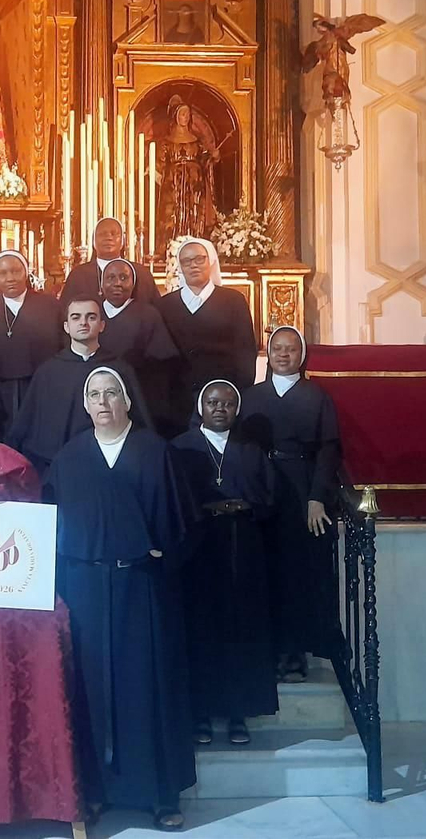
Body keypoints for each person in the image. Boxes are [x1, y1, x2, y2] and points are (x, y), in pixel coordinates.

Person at [44, 368, 194, 831]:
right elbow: (55, 525)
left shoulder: (155, 453)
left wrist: (159, 551)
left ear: (127, 401)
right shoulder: (68, 459)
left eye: (111, 392)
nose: (103, 400)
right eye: (93, 394)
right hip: (86, 588)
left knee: (145, 685)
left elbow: (180, 520)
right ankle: (94, 792)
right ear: (85, 405)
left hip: (141, 586)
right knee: (89, 687)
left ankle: (159, 794)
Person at [170, 381, 278, 745]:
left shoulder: (252, 450)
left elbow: (269, 497)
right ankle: (200, 713)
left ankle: (237, 713)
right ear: (201, 406)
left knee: (240, 631)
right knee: (200, 629)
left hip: (242, 547)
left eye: (229, 404)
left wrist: (244, 507)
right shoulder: (180, 448)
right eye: (213, 402)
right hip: (199, 551)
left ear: (237, 409)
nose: (221, 409)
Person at [239, 326, 343, 683]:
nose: (283, 355)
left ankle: (296, 652)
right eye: (277, 348)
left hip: (299, 486)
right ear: (267, 353)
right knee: (263, 569)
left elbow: (328, 450)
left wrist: (317, 497)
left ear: (302, 354)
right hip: (261, 484)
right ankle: (268, 648)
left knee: (297, 571)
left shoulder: (317, 396)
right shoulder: (250, 397)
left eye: (291, 349)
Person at [5, 295, 152, 472]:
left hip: (109, 466)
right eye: (76, 317)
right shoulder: (48, 371)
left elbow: (139, 423)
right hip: (57, 466)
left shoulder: (120, 369)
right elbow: (26, 425)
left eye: (91, 317)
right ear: (66, 327)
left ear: (102, 325)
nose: (84, 322)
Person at [157, 237, 257, 435]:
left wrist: (238, 393)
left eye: (199, 259)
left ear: (210, 262)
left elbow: (245, 352)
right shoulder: (164, 306)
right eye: (186, 261)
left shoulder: (234, 301)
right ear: (180, 267)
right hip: (178, 402)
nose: (193, 265)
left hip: (222, 400)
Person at [0, 249, 63, 426]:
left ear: (26, 272)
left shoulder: (50, 307)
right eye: (2, 273)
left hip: (39, 386)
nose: (10, 278)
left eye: (16, 271)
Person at [98, 259, 179, 421]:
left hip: (139, 394)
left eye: (123, 278)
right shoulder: (93, 312)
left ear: (133, 283)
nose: (117, 283)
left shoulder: (148, 314)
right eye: (111, 278)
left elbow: (161, 362)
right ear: (101, 284)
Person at [59, 217, 161, 307]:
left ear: (122, 241)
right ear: (94, 242)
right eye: (102, 234)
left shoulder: (141, 273)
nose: (108, 237)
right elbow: (65, 313)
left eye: (114, 233)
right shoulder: (78, 275)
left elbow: (154, 311)